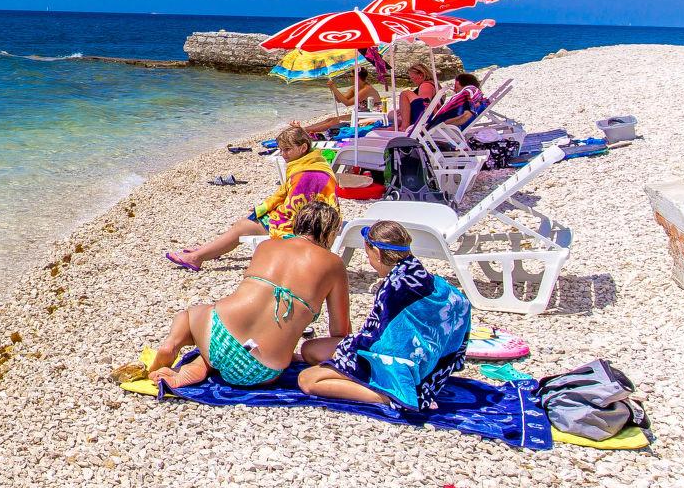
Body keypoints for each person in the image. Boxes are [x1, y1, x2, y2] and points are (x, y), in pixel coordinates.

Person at [126, 202, 351, 390]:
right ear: (330, 233)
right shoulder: (334, 265)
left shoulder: (267, 246)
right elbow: (340, 332)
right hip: (263, 370)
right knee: (251, 339)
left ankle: (174, 346)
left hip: (216, 337)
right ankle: (203, 364)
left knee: (192, 314)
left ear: (296, 224)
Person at [294, 220, 472, 408]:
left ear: (377, 254)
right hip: (428, 365)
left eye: (367, 254)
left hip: (397, 367)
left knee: (307, 380)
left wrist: (342, 358)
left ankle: (391, 397)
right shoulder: (434, 282)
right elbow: (461, 306)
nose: (368, 260)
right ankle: (400, 390)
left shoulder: (394, 290)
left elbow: (375, 343)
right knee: (309, 350)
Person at [166, 124, 338, 270]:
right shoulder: (312, 163)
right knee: (247, 221)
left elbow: (296, 209)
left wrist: (271, 213)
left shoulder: (307, 174)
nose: (283, 154)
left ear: (303, 148)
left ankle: (197, 257)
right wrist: (264, 209)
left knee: (243, 227)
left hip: (312, 226)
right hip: (314, 219)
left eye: (287, 150)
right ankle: (205, 250)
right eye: (281, 150)